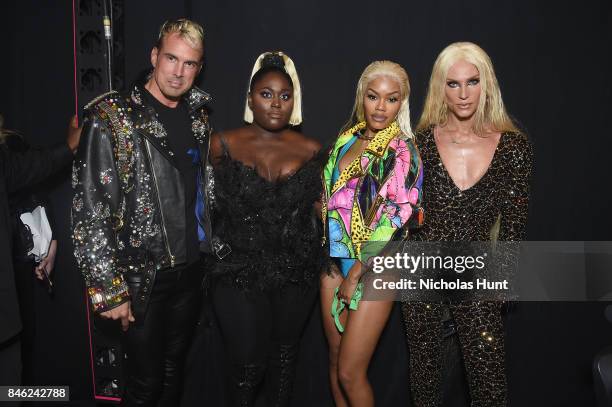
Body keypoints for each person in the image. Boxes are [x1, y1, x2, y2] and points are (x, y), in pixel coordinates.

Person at [71, 18, 214, 407]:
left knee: (173, 376)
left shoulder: (199, 116)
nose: (178, 71)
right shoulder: (113, 117)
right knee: (144, 385)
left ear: (198, 68)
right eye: (171, 58)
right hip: (141, 279)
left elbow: (199, 191)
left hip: (190, 272)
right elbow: (90, 208)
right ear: (154, 56)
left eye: (189, 63)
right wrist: (109, 290)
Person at [401, 42, 533, 407]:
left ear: (486, 83)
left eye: (472, 82)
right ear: (440, 87)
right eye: (453, 83)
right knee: (426, 379)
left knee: (488, 383)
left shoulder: (513, 148)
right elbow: (402, 213)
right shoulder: (419, 144)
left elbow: (514, 220)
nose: (463, 94)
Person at [208, 51, 324, 406]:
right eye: (266, 94)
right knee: (246, 369)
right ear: (250, 99)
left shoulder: (314, 150)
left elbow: (323, 211)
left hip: (296, 276)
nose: (276, 103)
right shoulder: (220, 144)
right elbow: (201, 209)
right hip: (237, 274)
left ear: (294, 102)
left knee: (284, 363)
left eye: (285, 96)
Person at [320, 60, 424, 407]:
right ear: (361, 96)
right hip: (335, 261)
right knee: (335, 366)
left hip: (376, 267)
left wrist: (357, 272)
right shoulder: (346, 139)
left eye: (391, 99)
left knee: (351, 372)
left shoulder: (403, 151)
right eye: (373, 96)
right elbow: (333, 200)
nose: (381, 107)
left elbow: (397, 220)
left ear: (402, 102)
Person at [0, 114, 79, 387]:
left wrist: (51, 241)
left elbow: (34, 182)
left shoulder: (10, 146)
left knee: (14, 370)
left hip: (14, 266)